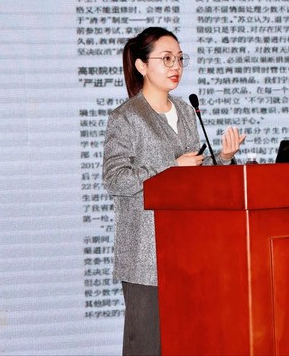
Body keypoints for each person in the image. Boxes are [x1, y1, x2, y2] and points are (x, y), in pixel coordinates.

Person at [103, 27, 246, 355]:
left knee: (190, 342)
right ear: (142, 66)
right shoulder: (126, 118)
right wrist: (170, 166)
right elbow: (115, 179)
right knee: (147, 346)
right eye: (166, 59)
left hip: (190, 252)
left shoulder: (185, 111)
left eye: (180, 59)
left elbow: (191, 176)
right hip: (146, 257)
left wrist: (223, 158)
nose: (176, 66)